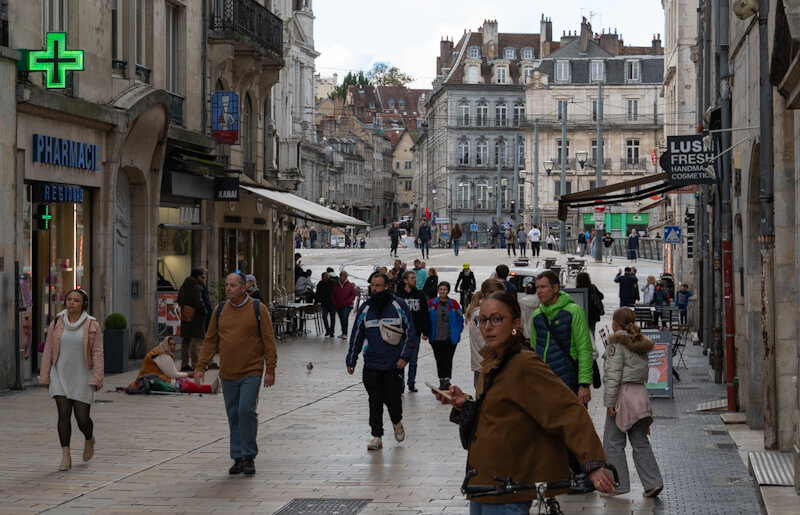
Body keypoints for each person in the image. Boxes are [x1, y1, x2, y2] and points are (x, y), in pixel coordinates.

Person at [434, 292, 615, 513]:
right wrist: (464, 402)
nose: (487, 326)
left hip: (508, 487)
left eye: (496, 319)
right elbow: (497, 412)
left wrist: (593, 465)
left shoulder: (524, 364)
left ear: (515, 324)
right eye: (482, 320)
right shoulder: (494, 360)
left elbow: (568, 411)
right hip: (484, 483)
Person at [194, 272, 277, 476]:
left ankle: (249, 456)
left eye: (232, 285)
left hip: (252, 370)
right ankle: (237, 457)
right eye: (227, 285)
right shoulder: (220, 309)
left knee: (246, 410)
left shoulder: (258, 308)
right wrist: (200, 366)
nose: (228, 288)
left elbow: (269, 340)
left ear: (243, 288)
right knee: (233, 414)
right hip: (228, 372)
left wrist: (271, 369)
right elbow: (210, 340)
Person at [530, 270, 595, 491]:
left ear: (556, 288)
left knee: (575, 431)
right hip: (546, 386)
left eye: (543, 287)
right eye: (537, 287)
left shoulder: (573, 312)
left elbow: (585, 349)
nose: (539, 291)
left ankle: (584, 476)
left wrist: (584, 383)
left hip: (569, 380)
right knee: (551, 432)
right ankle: (562, 474)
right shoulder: (537, 317)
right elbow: (534, 351)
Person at [346, 273, 417, 450]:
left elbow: (410, 333)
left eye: (378, 285)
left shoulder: (398, 305)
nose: (374, 289)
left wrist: (405, 357)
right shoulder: (365, 309)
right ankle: (376, 436)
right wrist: (352, 359)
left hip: (393, 364)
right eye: (372, 285)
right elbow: (357, 334)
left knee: (393, 398)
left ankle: (397, 421)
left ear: (386, 286)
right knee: (374, 400)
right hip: (371, 363)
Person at [38, 288, 103, 472]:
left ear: (84, 304)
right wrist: (45, 375)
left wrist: (98, 377)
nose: (71, 302)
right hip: (59, 374)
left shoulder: (92, 325)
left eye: (76, 300)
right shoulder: (57, 322)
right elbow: (49, 350)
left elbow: (97, 353)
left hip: (83, 375)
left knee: (82, 418)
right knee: (63, 413)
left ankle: (89, 438)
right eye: (69, 299)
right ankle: (65, 455)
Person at [602, 308, 664, 498]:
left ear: (614, 323)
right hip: (640, 396)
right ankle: (653, 482)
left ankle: (618, 484)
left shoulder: (616, 344)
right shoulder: (639, 343)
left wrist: (609, 403)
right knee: (640, 441)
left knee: (612, 442)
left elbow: (613, 376)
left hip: (623, 397)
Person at [130, 337, 220, 394]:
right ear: (165, 344)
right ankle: (209, 389)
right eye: (170, 344)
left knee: (183, 381)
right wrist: (188, 374)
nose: (173, 347)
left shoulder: (159, 350)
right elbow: (173, 374)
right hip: (154, 381)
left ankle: (209, 388)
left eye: (174, 344)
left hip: (152, 379)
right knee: (182, 384)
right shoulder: (162, 355)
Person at [465, 279, 507, 387]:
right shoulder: (480, 315)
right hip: (485, 366)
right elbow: (486, 341)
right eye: (500, 296)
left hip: (489, 365)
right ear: (488, 294)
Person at [396, 271, 430, 393]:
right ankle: (400, 384)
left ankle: (411, 383)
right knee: (399, 359)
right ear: (405, 281)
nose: (414, 280)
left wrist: (425, 331)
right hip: (400, 333)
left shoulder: (420, 295)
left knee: (413, 360)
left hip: (414, 333)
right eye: (412, 278)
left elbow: (425, 313)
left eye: (414, 278)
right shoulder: (398, 295)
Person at [427, 282, 464, 390]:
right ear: (438, 290)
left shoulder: (454, 304)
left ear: (448, 291)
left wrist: (458, 330)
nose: (442, 291)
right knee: (439, 359)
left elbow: (460, 318)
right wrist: (426, 332)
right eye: (441, 289)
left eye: (444, 289)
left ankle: (447, 379)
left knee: (448, 358)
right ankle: (441, 378)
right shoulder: (431, 303)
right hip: (436, 336)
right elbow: (426, 318)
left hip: (450, 336)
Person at [178, 268, 209, 372]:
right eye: (202, 276)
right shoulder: (196, 287)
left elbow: (179, 300)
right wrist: (204, 310)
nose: (203, 279)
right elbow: (198, 302)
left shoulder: (184, 285)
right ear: (197, 276)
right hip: (196, 317)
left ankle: (184, 363)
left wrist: (185, 307)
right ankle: (196, 365)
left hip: (185, 315)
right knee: (196, 341)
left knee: (185, 340)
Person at [576, 272, 605, 342]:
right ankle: (592, 347)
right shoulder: (592, 287)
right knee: (592, 332)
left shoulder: (578, 289)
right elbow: (601, 296)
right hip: (593, 315)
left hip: (582, 314)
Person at [331, 270, 357, 339]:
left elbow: (353, 294)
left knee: (345, 317)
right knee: (341, 318)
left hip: (347, 305)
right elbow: (333, 294)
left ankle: (345, 333)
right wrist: (334, 302)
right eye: (340, 275)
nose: (340, 277)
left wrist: (348, 301)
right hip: (338, 305)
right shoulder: (336, 285)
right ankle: (343, 332)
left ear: (345, 276)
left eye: (342, 275)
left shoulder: (350, 285)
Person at [315, 272, 336, 337]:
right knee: (324, 316)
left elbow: (336, 292)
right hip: (324, 303)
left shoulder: (333, 283)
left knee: (333, 318)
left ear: (327, 277)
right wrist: (316, 301)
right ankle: (327, 330)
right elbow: (317, 293)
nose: (323, 278)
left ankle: (332, 331)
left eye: (324, 277)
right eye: (322, 277)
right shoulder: (320, 284)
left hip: (332, 303)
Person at [198, 267, 213, 332]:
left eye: (205, 275)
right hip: (202, 312)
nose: (204, 277)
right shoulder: (198, 286)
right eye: (203, 275)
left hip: (206, 311)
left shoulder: (203, 285)